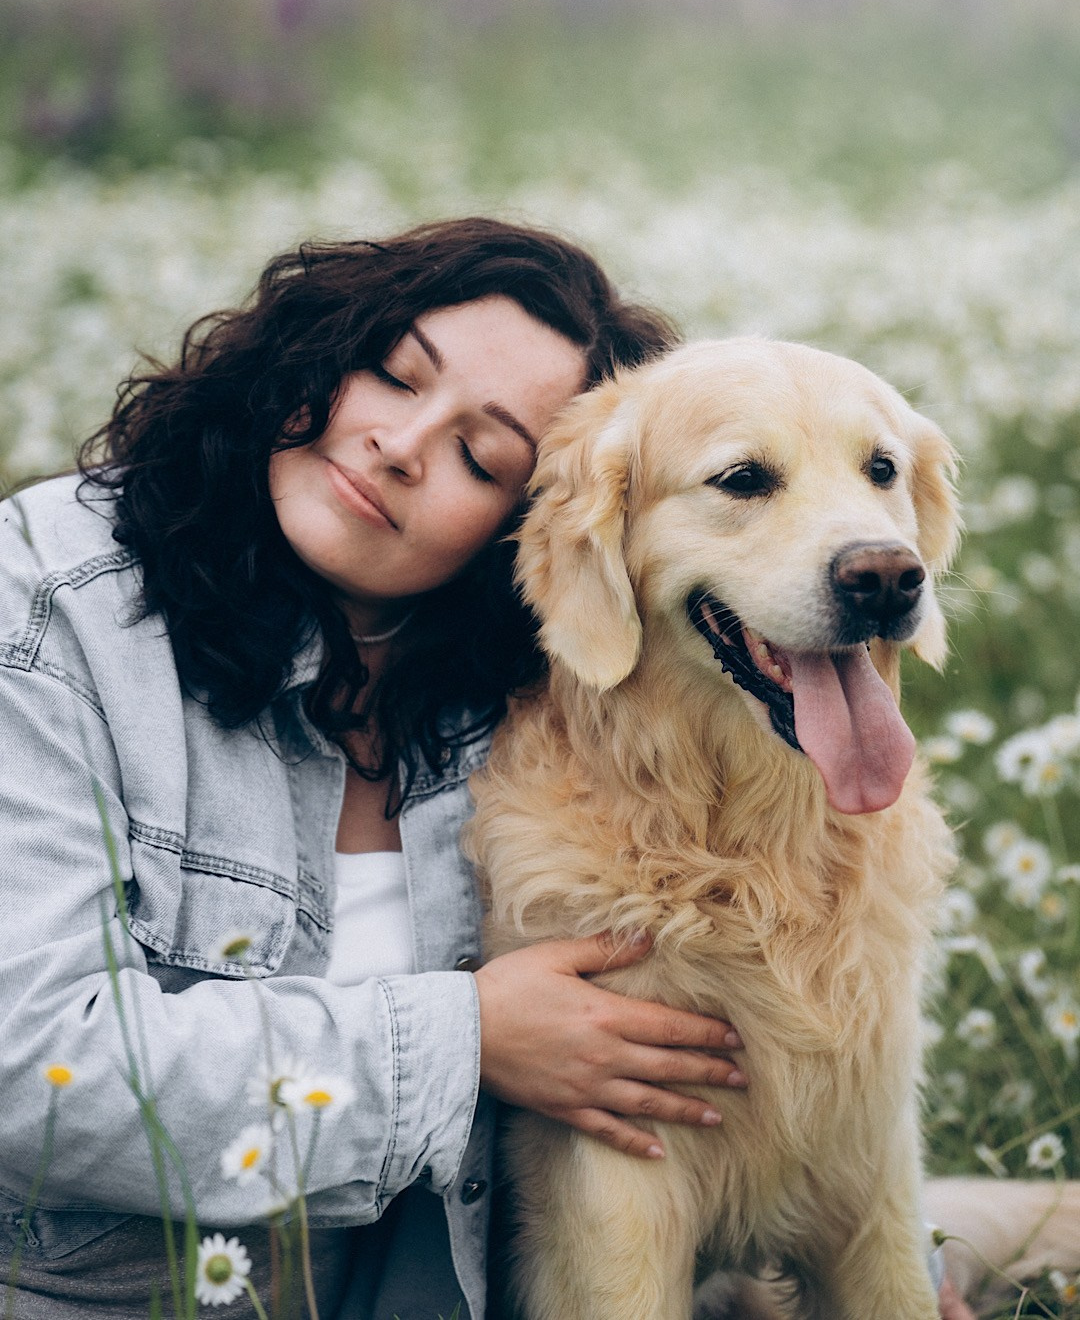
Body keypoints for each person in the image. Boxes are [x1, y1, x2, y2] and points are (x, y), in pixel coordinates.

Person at [0, 216, 974, 1320]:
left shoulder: (529, 691)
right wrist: (470, 1039)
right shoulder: (43, 609)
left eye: (482, 456)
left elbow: (758, 1126)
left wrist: (910, 1268)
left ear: (530, 527)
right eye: (389, 374)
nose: (402, 445)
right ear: (313, 348)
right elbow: (24, 1062)